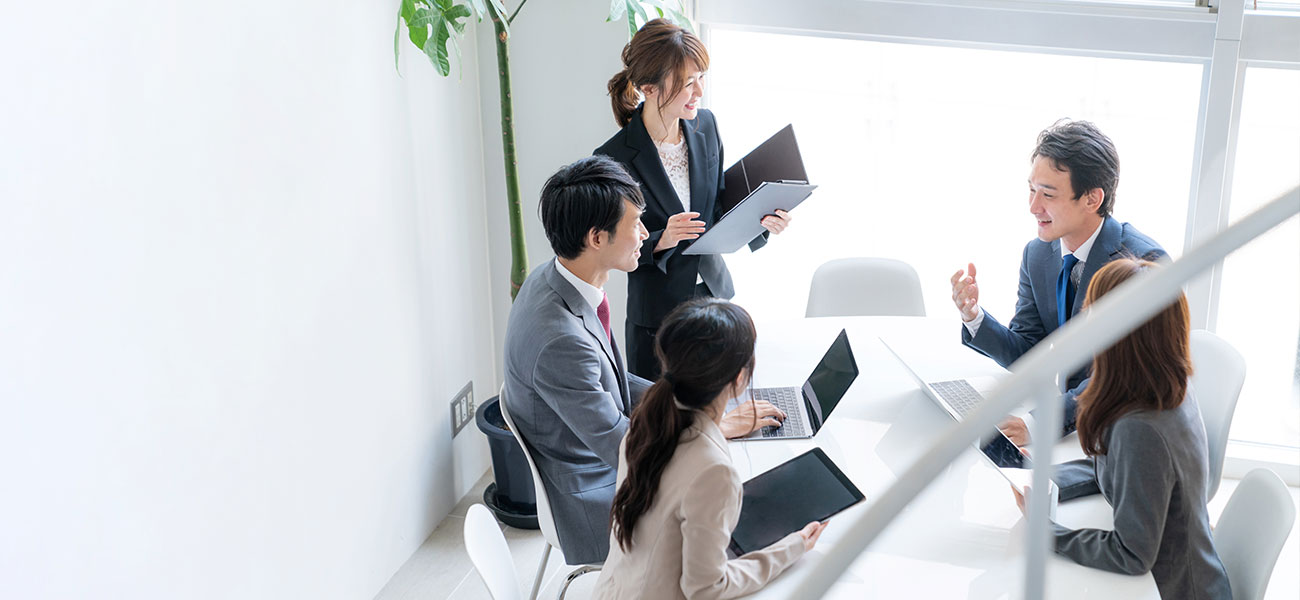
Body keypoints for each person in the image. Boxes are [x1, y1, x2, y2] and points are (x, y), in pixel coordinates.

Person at [503, 156, 786, 566]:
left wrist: (701, 406)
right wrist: (713, 427)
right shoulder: (559, 340)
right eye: (635, 224)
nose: (644, 234)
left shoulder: (556, 279)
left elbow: (613, 381)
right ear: (597, 238)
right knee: (739, 516)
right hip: (597, 496)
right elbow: (622, 447)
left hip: (594, 463)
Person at [1011, 259, 1231, 599]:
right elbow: (1118, 467)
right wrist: (1044, 476)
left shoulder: (1141, 427)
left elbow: (1131, 555)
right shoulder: (1164, 387)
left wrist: (1046, 531)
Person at [595, 18, 792, 381]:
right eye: (688, 82)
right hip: (657, 321)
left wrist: (762, 221)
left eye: (701, 77)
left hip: (715, 301)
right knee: (663, 426)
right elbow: (607, 249)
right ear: (649, 88)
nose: (699, 91)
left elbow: (718, 208)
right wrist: (660, 240)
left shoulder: (706, 127)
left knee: (717, 412)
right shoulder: (613, 159)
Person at [950, 120, 1165, 445]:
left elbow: (1117, 378)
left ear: (1092, 199)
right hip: (1075, 423)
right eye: (1031, 189)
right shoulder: (1038, 255)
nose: (1033, 207)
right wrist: (973, 316)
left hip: (1124, 435)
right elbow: (1028, 351)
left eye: (1048, 194)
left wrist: (1038, 425)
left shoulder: (1139, 266)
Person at [595, 298, 825, 599]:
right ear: (739, 379)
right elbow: (705, 589)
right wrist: (791, 548)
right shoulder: (713, 470)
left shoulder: (646, 423)